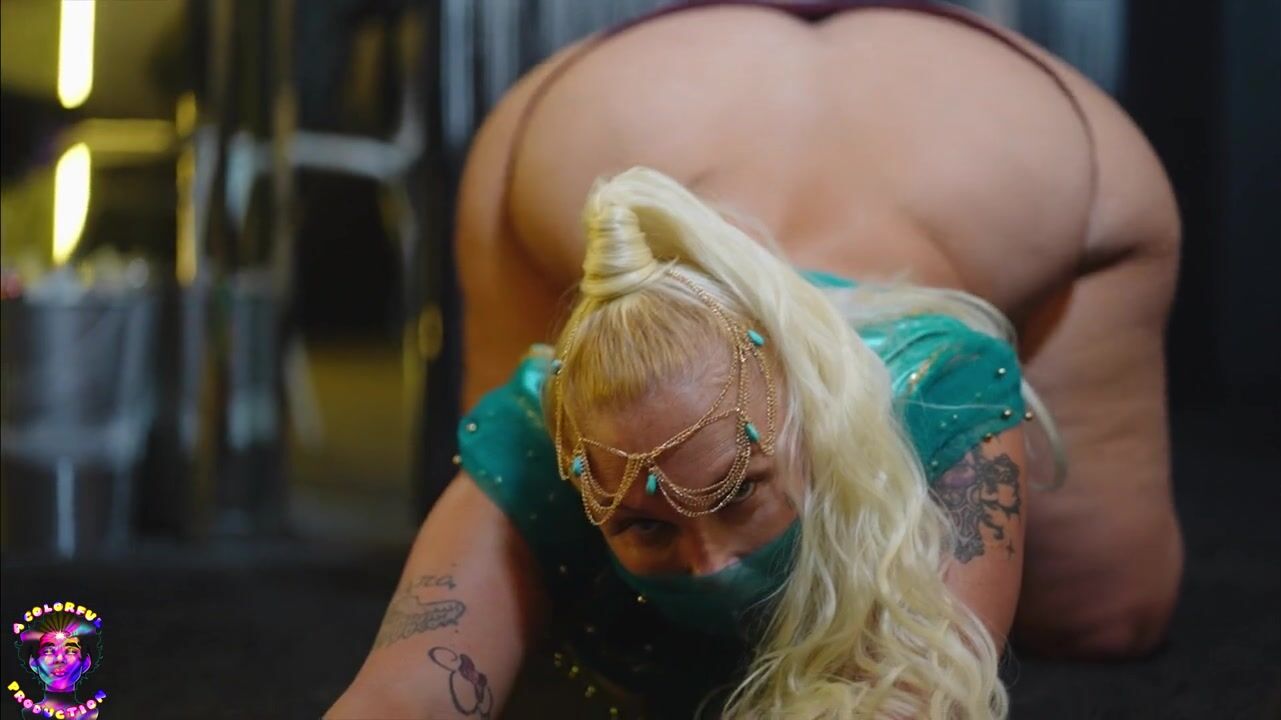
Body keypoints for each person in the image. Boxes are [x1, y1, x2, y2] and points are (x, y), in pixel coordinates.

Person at [330, 1, 1183, 717]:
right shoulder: (535, 422)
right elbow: (402, 695)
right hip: (590, 114)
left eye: (736, 493)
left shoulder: (938, 381)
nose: (712, 565)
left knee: (1101, 620)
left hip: (983, 120)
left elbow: (919, 699)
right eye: (650, 522)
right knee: (543, 624)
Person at [16, 612, 102, 719]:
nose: (60, 659)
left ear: (86, 663)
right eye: (48, 651)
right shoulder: (28, 713)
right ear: (33, 662)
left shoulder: (92, 714)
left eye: (71, 651)